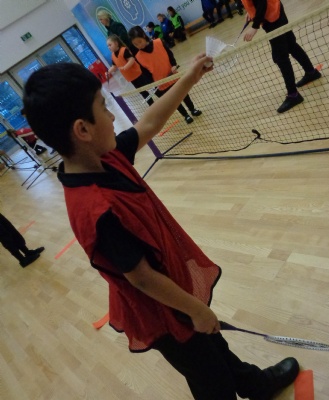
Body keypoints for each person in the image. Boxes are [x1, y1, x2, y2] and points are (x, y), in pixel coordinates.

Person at [23, 56, 300, 400]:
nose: (112, 116)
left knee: (214, 344)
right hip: (161, 310)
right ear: (83, 130)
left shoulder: (105, 157)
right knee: (210, 378)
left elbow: (150, 123)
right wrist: (195, 309)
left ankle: (254, 385)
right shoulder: (96, 210)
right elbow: (142, 278)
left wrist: (189, 78)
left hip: (173, 292)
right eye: (104, 108)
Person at [242, 0, 321, 113]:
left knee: (280, 57)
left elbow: (262, 2)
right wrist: (252, 11)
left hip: (273, 18)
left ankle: (293, 95)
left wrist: (255, 26)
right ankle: (311, 72)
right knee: (291, 45)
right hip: (276, 9)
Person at [128, 26, 202, 124]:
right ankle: (185, 115)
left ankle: (192, 109)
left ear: (144, 36)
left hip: (173, 76)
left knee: (184, 94)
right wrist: (153, 84)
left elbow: (170, 54)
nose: (139, 45)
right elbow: (145, 73)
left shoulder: (159, 42)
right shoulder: (138, 57)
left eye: (140, 42)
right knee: (173, 101)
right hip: (161, 83)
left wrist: (173, 64)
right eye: (135, 44)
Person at [106, 35, 154, 106]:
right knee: (142, 92)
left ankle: (161, 94)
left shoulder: (124, 50)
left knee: (149, 87)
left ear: (116, 43)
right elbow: (114, 66)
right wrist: (108, 72)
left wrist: (125, 67)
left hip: (138, 74)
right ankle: (152, 104)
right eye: (108, 46)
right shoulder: (113, 56)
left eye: (110, 45)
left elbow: (131, 59)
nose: (109, 47)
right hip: (131, 78)